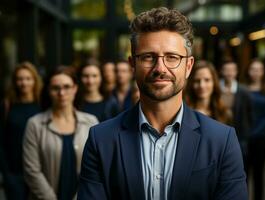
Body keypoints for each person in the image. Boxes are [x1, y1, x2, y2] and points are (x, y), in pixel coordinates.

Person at [77, 7, 247, 200]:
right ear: (132, 65)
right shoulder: (101, 139)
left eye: (172, 57)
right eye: (148, 57)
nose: (160, 68)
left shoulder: (222, 140)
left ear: (189, 66)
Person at [23, 66, 98, 200]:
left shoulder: (91, 122)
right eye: (55, 88)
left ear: (75, 88)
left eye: (67, 87)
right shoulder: (35, 124)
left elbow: (96, 168)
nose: (62, 93)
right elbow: (31, 170)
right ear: (48, 91)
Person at [0, 61, 42, 200]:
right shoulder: (7, 105)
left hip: (40, 170)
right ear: (14, 82)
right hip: (15, 172)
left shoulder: (42, 104)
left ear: (35, 81)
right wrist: (7, 174)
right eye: (20, 79)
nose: (24, 83)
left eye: (28, 79)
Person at [244, 59, 265, 200]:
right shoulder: (242, 90)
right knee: (243, 175)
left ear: (263, 72)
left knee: (259, 175)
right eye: (253, 69)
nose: (256, 72)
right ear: (248, 71)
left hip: (261, 139)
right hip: (244, 139)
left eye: (259, 69)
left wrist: (257, 132)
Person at [219, 60, 253, 162]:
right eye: (226, 70)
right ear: (221, 71)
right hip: (219, 133)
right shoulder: (215, 88)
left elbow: (249, 114)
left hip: (239, 135)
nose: (229, 73)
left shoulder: (244, 91)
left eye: (232, 70)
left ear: (236, 72)